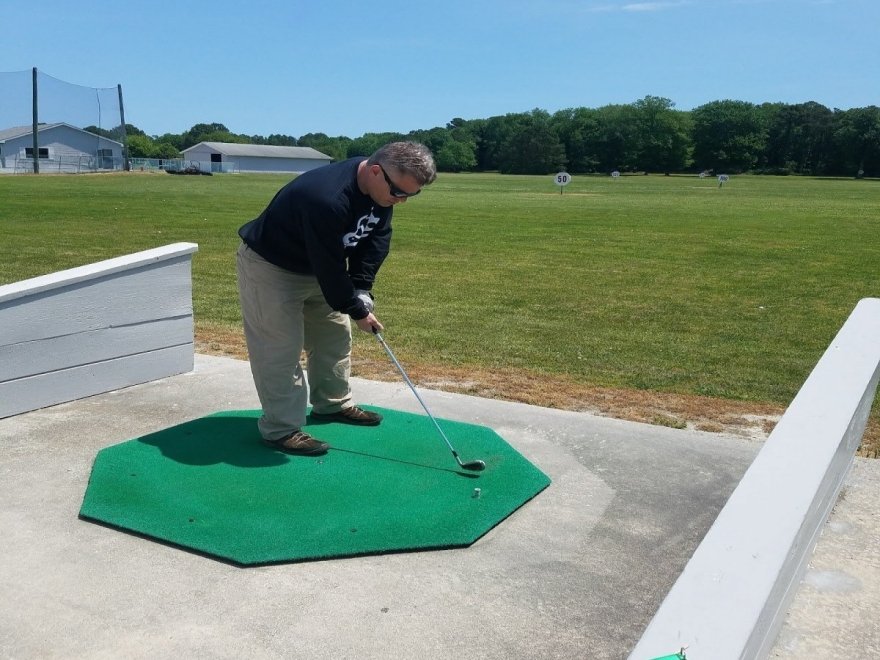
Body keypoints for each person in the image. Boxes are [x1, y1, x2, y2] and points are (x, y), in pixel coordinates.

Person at [236, 141, 437, 456]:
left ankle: (332, 404)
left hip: (317, 268)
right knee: (279, 348)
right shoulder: (326, 198)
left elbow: (377, 237)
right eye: (399, 193)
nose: (402, 201)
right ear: (375, 171)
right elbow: (329, 267)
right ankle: (281, 429)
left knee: (333, 337)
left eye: (411, 195)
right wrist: (356, 309)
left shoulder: (380, 191)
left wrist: (361, 287)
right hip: (272, 267)